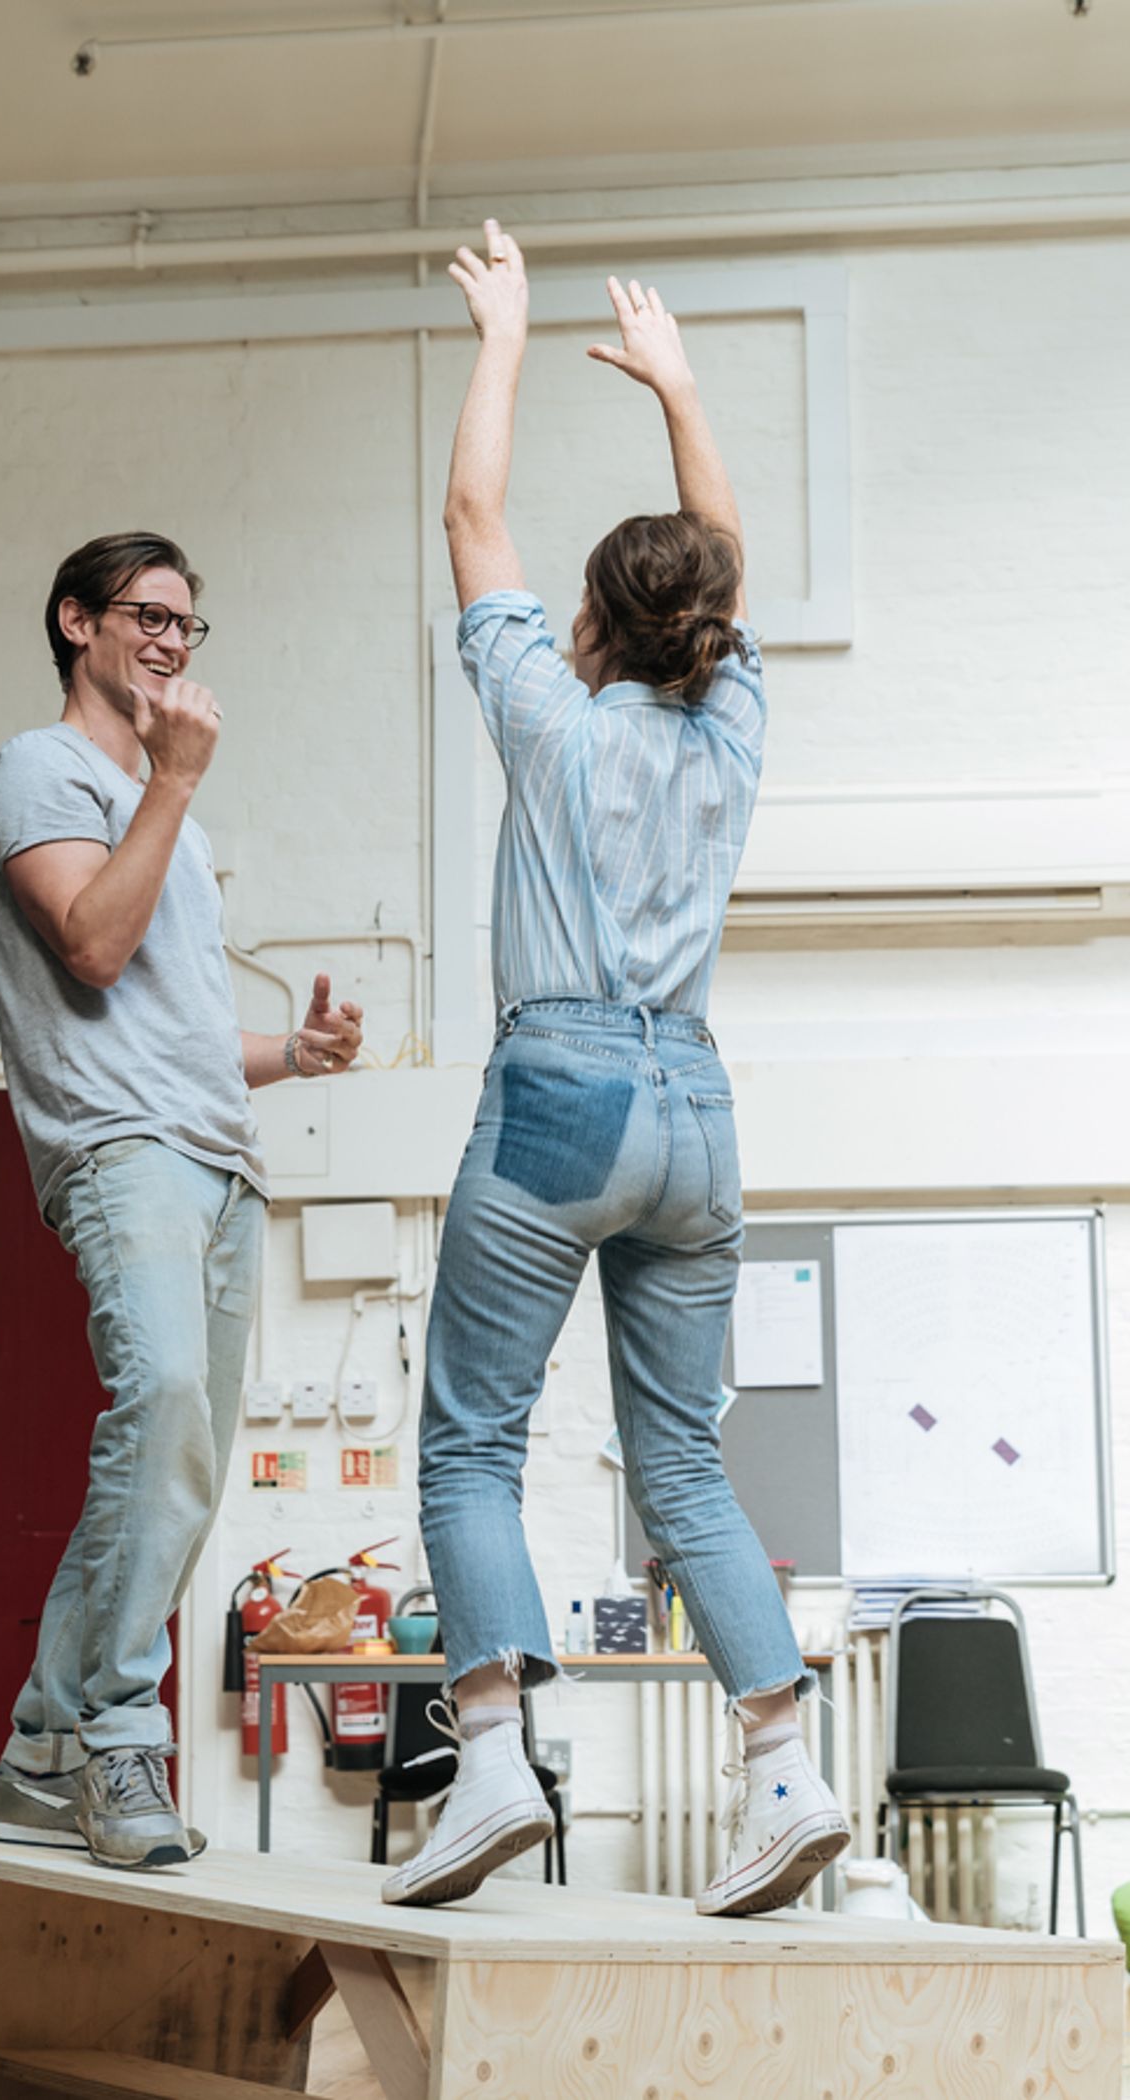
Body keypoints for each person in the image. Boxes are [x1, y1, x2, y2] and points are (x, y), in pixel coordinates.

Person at [382, 225, 849, 1915]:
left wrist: (503, 332)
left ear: (589, 619)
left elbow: (469, 520)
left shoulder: (550, 718)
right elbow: (719, 566)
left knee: (469, 1446)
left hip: (564, 1091)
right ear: (707, 630)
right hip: (701, 1114)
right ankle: (783, 1775)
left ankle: (493, 1756)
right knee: (684, 1465)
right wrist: (682, 385)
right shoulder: (733, 733)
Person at [0, 531, 363, 1870]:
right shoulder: (44, 771)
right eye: (146, 616)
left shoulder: (162, 824)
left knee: (180, 1469)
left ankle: (37, 1754)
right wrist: (175, 785)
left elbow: (179, 1022)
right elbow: (90, 943)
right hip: (119, 1147)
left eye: (189, 626)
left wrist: (289, 1055)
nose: (170, 642)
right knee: (164, 1416)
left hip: (218, 1151)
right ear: (75, 621)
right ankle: (121, 1736)